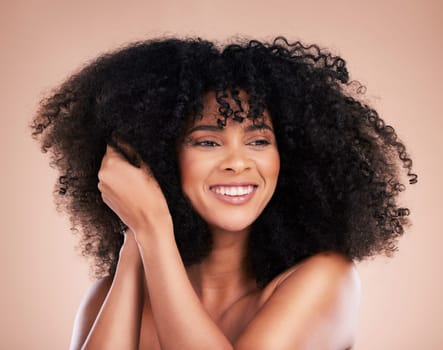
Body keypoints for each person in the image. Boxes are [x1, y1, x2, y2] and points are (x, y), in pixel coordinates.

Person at [31, 37, 417, 349]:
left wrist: (153, 230)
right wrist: (136, 238)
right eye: (208, 142)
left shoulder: (324, 280)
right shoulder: (113, 295)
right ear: (160, 158)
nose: (238, 162)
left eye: (259, 140)